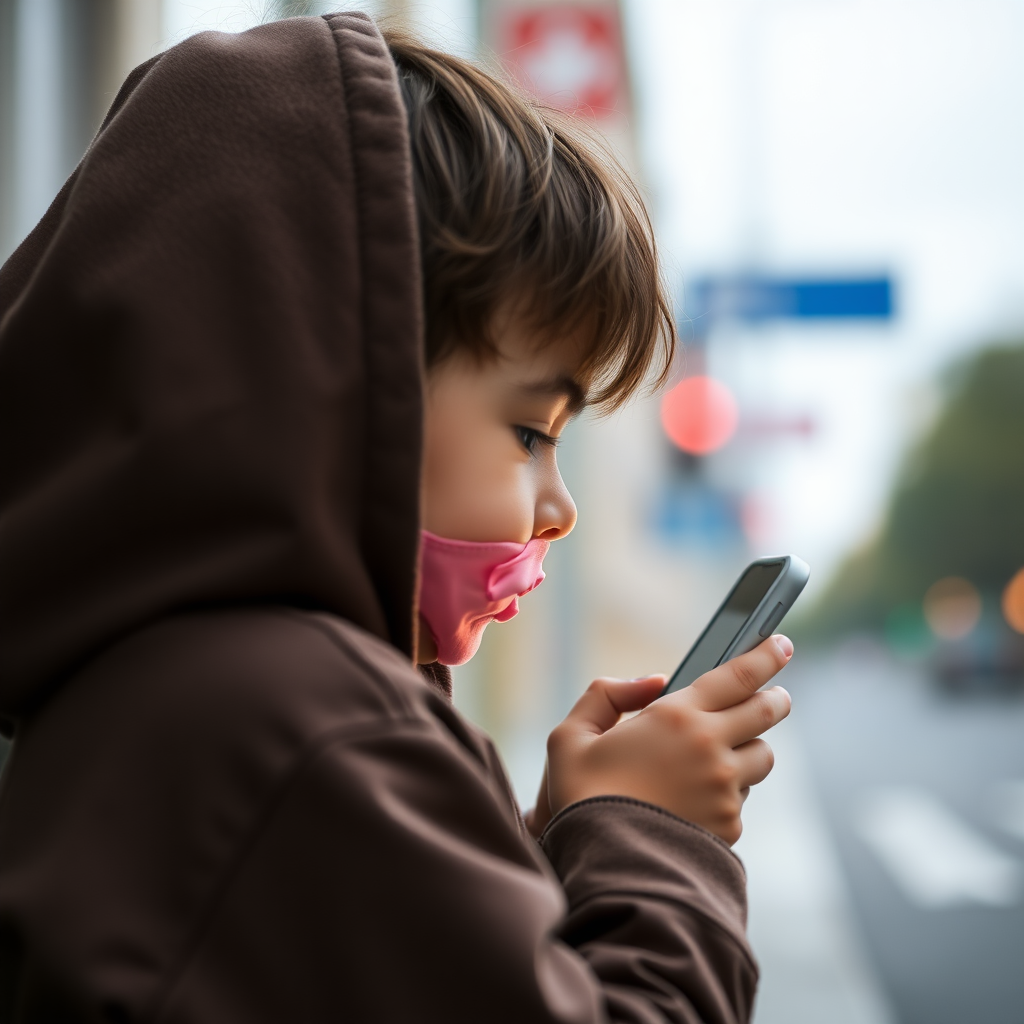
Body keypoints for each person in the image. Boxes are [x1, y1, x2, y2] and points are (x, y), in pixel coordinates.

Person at [0, 13, 792, 1023]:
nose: (560, 509)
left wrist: (543, 844)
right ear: (333, 388)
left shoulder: (194, 690)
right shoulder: (304, 730)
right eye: (529, 430)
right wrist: (651, 836)